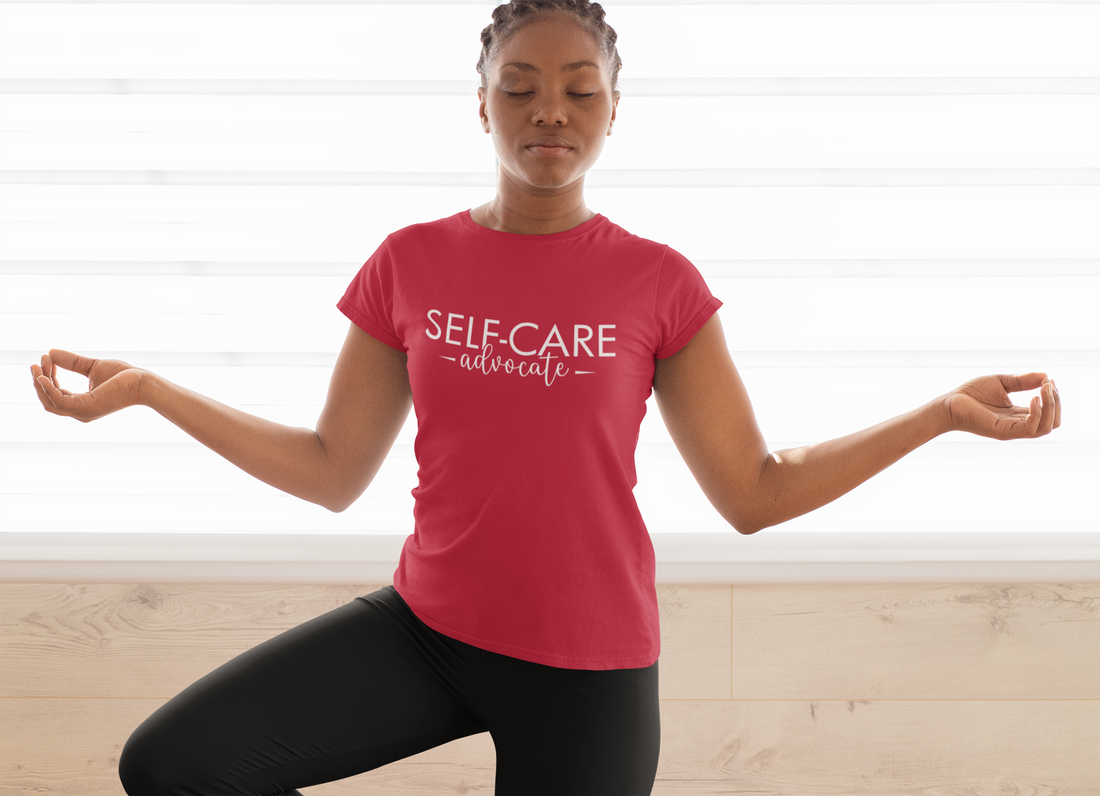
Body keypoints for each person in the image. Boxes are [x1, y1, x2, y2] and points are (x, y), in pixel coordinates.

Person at [29, 0, 1062, 794]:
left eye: (578, 86)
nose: (548, 111)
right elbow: (330, 468)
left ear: (614, 108)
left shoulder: (658, 283)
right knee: (174, 764)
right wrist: (154, 392)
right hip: (425, 631)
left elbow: (755, 491)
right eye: (518, 87)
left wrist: (938, 415)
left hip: (589, 665)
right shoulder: (408, 262)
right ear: (480, 104)